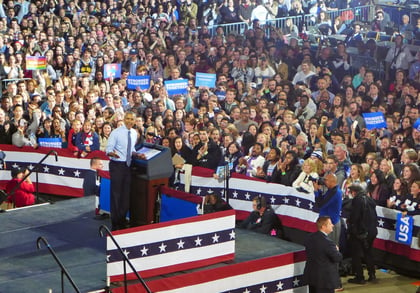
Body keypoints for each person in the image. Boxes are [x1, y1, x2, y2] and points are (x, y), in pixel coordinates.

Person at [106, 112, 144, 231]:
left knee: (125, 195)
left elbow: (131, 149)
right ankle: (115, 223)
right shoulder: (116, 132)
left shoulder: (133, 133)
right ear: (124, 119)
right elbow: (108, 149)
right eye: (127, 118)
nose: (129, 121)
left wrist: (137, 154)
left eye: (131, 119)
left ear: (134, 121)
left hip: (128, 166)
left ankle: (122, 220)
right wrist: (112, 153)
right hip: (117, 165)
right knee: (116, 195)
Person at [347, 184, 378, 284]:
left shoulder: (357, 200)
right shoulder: (370, 200)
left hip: (360, 232)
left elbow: (355, 217)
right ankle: (372, 275)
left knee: (356, 254)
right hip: (372, 231)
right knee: (368, 253)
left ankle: (359, 277)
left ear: (353, 192)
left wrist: (352, 227)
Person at [303, 216, 343, 293]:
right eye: (330, 224)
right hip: (325, 281)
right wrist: (337, 250)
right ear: (323, 226)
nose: (332, 225)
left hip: (312, 278)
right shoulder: (328, 243)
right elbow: (338, 258)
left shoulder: (309, 237)